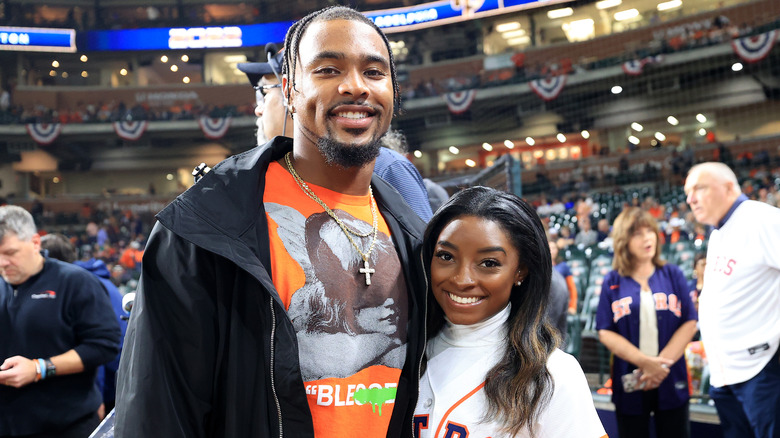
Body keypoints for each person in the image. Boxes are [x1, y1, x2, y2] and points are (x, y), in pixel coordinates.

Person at [116, 7, 428, 438]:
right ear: (289, 89)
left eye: (374, 72)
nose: (355, 85)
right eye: (328, 69)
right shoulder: (205, 224)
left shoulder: (417, 234)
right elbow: (157, 409)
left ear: (392, 90)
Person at [414, 186, 605, 438]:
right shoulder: (404, 355)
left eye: (489, 263)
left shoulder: (555, 374)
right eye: (446, 256)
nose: (462, 279)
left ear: (520, 271)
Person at [238, 42, 433, 222]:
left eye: (263, 93)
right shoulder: (278, 179)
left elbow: (422, 256)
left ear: (289, 95)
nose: (258, 109)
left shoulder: (386, 168)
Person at [0, 206, 120, 438]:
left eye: (10, 252)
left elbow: (104, 345)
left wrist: (39, 368)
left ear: (35, 242)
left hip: (65, 424)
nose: (2, 262)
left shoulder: (75, 282)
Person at [684, 162, 780, 438]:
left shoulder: (761, 219)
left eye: (699, 188)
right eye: (688, 191)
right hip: (725, 373)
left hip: (760, 370)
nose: (691, 198)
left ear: (728, 187)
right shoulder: (718, 232)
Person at [596, 207, 698, 438]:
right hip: (630, 379)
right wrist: (644, 362)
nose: (647, 238)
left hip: (671, 377)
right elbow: (604, 330)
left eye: (650, 231)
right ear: (624, 240)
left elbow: (690, 321)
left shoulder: (672, 273)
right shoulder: (612, 280)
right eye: (638, 233)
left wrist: (659, 367)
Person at [39, 233, 127, 416]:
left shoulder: (82, 286)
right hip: (121, 380)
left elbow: (96, 348)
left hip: (109, 387)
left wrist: (97, 400)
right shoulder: (93, 279)